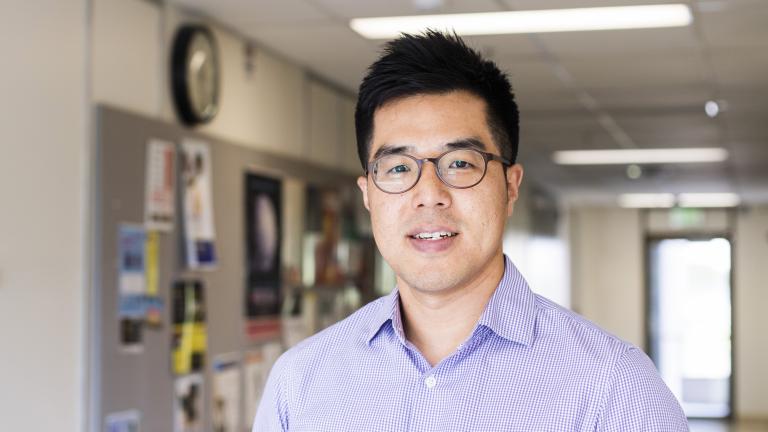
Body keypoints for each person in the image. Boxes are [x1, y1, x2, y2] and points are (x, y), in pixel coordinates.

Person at [253, 31, 688, 431]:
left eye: (460, 163)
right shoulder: (301, 380)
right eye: (398, 168)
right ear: (368, 194)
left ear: (510, 187)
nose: (429, 195)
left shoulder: (614, 387)